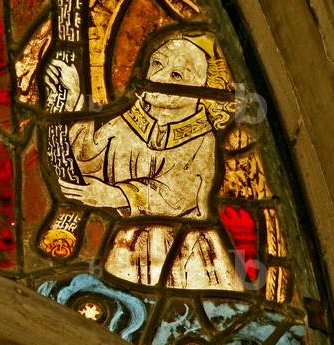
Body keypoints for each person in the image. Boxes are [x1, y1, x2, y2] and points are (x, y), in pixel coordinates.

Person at [45, 33, 243, 291]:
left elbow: (178, 196)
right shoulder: (127, 124)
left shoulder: (201, 138)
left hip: (187, 251)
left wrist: (114, 195)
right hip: (130, 246)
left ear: (204, 90)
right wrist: (73, 101)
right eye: (157, 64)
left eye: (177, 75)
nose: (158, 78)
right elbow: (87, 160)